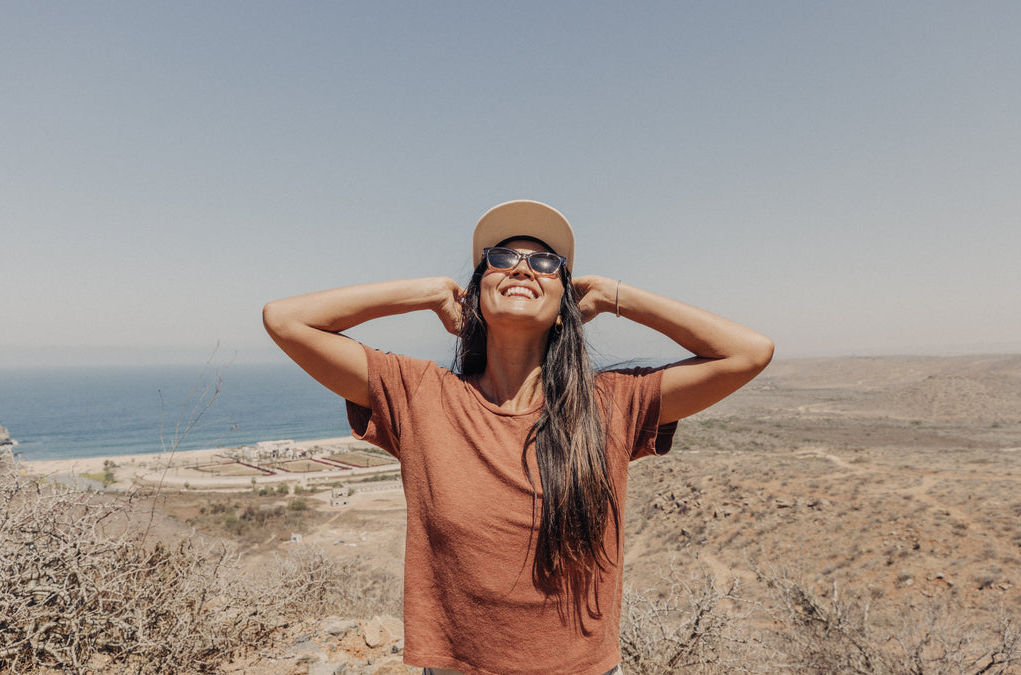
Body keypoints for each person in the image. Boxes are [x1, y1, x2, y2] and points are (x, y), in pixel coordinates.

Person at [262, 200, 774, 675]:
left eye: (547, 263)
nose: (523, 268)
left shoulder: (610, 403)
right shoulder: (420, 394)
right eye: (502, 257)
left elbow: (748, 352)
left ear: (565, 302)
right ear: (477, 290)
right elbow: (286, 320)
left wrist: (617, 297)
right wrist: (427, 293)